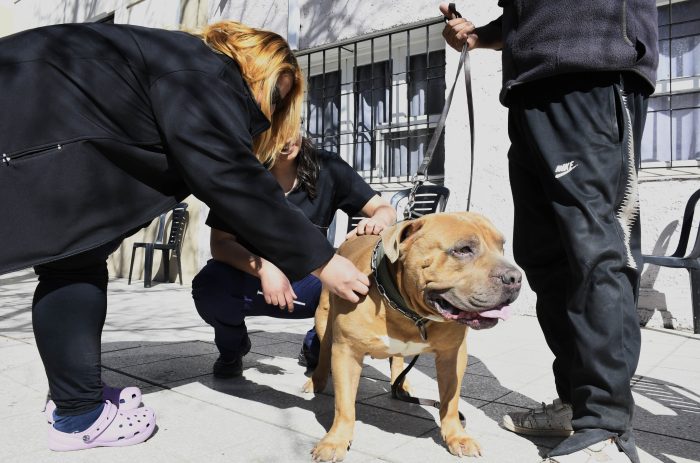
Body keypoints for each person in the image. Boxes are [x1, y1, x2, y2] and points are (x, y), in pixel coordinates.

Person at [0, 20, 370, 451]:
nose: (269, 116)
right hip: (29, 130)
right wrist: (324, 261)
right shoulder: (203, 72)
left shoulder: (168, 62)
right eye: (274, 95)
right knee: (74, 263)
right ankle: (77, 418)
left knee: (73, 260)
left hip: (42, 134)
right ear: (256, 66)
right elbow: (229, 175)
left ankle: (76, 404)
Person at [440, 2, 658, 463]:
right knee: (544, 256)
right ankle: (577, 405)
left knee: (595, 252)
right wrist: (481, 35)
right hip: (528, 89)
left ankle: (605, 426)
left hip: (594, 69)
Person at [192, 136, 396, 377]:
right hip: (250, 278)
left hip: (309, 281)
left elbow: (384, 209)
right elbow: (221, 244)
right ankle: (232, 349)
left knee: (360, 284)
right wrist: (264, 269)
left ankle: (317, 345)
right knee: (209, 286)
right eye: (275, 131)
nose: (285, 140)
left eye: (290, 127)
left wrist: (379, 221)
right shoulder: (238, 170)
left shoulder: (328, 167)